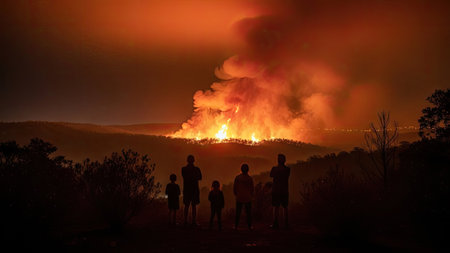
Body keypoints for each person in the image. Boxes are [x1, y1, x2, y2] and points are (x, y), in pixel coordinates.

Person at [270, 154, 290, 229]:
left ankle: (275, 223)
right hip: (284, 190)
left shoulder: (274, 169)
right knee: (285, 207)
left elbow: (271, 175)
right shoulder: (287, 169)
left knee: (276, 207)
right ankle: (286, 223)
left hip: (276, 190)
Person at [181, 155, 202, 226]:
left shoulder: (184, 169)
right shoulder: (196, 169)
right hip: (194, 190)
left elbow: (186, 177)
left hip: (187, 189)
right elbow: (199, 177)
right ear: (194, 160)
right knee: (193, 206)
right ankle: (193, 221)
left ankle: (185, 221)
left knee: (187, 206)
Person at [233, 163, 254, 230]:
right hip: (248, 197)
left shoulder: (238, 178)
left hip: (239, 196)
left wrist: (236, 194)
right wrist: (251, 195)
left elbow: (235, 188)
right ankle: (249, 226)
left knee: (238, 213)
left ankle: (236, 226)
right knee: (248, 213)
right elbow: (252, 188)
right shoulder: (249, 178)